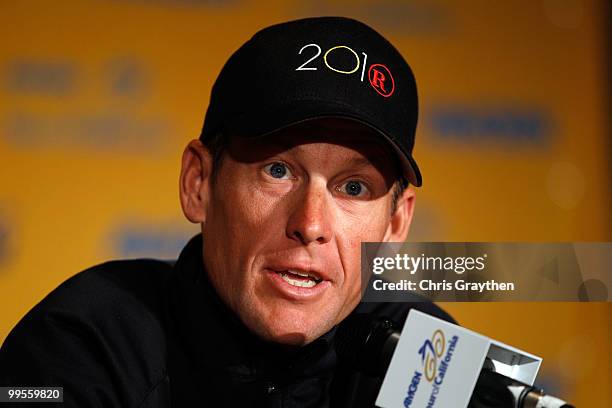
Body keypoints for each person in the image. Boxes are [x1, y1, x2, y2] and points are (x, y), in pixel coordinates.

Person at [0, 16, 454, 407]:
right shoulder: (84, 339)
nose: (310, 224)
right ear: (198, 183)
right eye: (278, 170)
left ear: (396, 224)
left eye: (353, 187)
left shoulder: (427, 349)